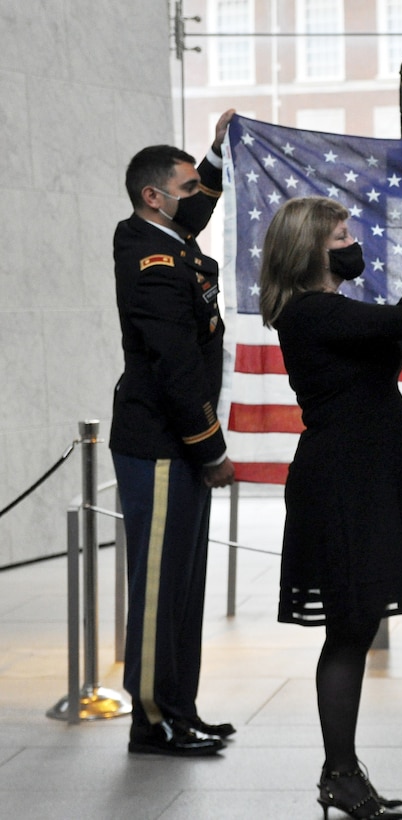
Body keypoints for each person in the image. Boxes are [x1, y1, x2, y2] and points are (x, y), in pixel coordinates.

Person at [259, 196, 402, 820]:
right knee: (348, 631)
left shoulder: (332, 311)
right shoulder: (312, 312)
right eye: (340, 234)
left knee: (357, 625)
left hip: (368, 475)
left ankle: (341, 772)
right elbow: (401, 322)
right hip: (343, 482)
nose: (353, 240)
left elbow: (400, 330)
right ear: (310, 248)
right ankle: (340, 774)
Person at [111, 110, 238, 758]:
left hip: (175, 443)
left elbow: (199, 208)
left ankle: (179, 707)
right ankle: (153, 719)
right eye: (187, 188)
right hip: (162, 444)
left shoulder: (169, 237)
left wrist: (216, 154)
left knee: (184, 587)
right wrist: (210, 447)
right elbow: (176, 368)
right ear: (151, 196)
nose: (198, 198)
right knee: (160, 590)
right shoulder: (152, 257)